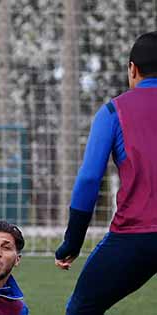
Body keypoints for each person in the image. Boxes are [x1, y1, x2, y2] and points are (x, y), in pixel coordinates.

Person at [54, 31, 157, 314]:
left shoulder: (114, 111)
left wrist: (72, 243)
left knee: (81, 309)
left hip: (135, 237)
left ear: (133, 69)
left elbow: (89, 180)